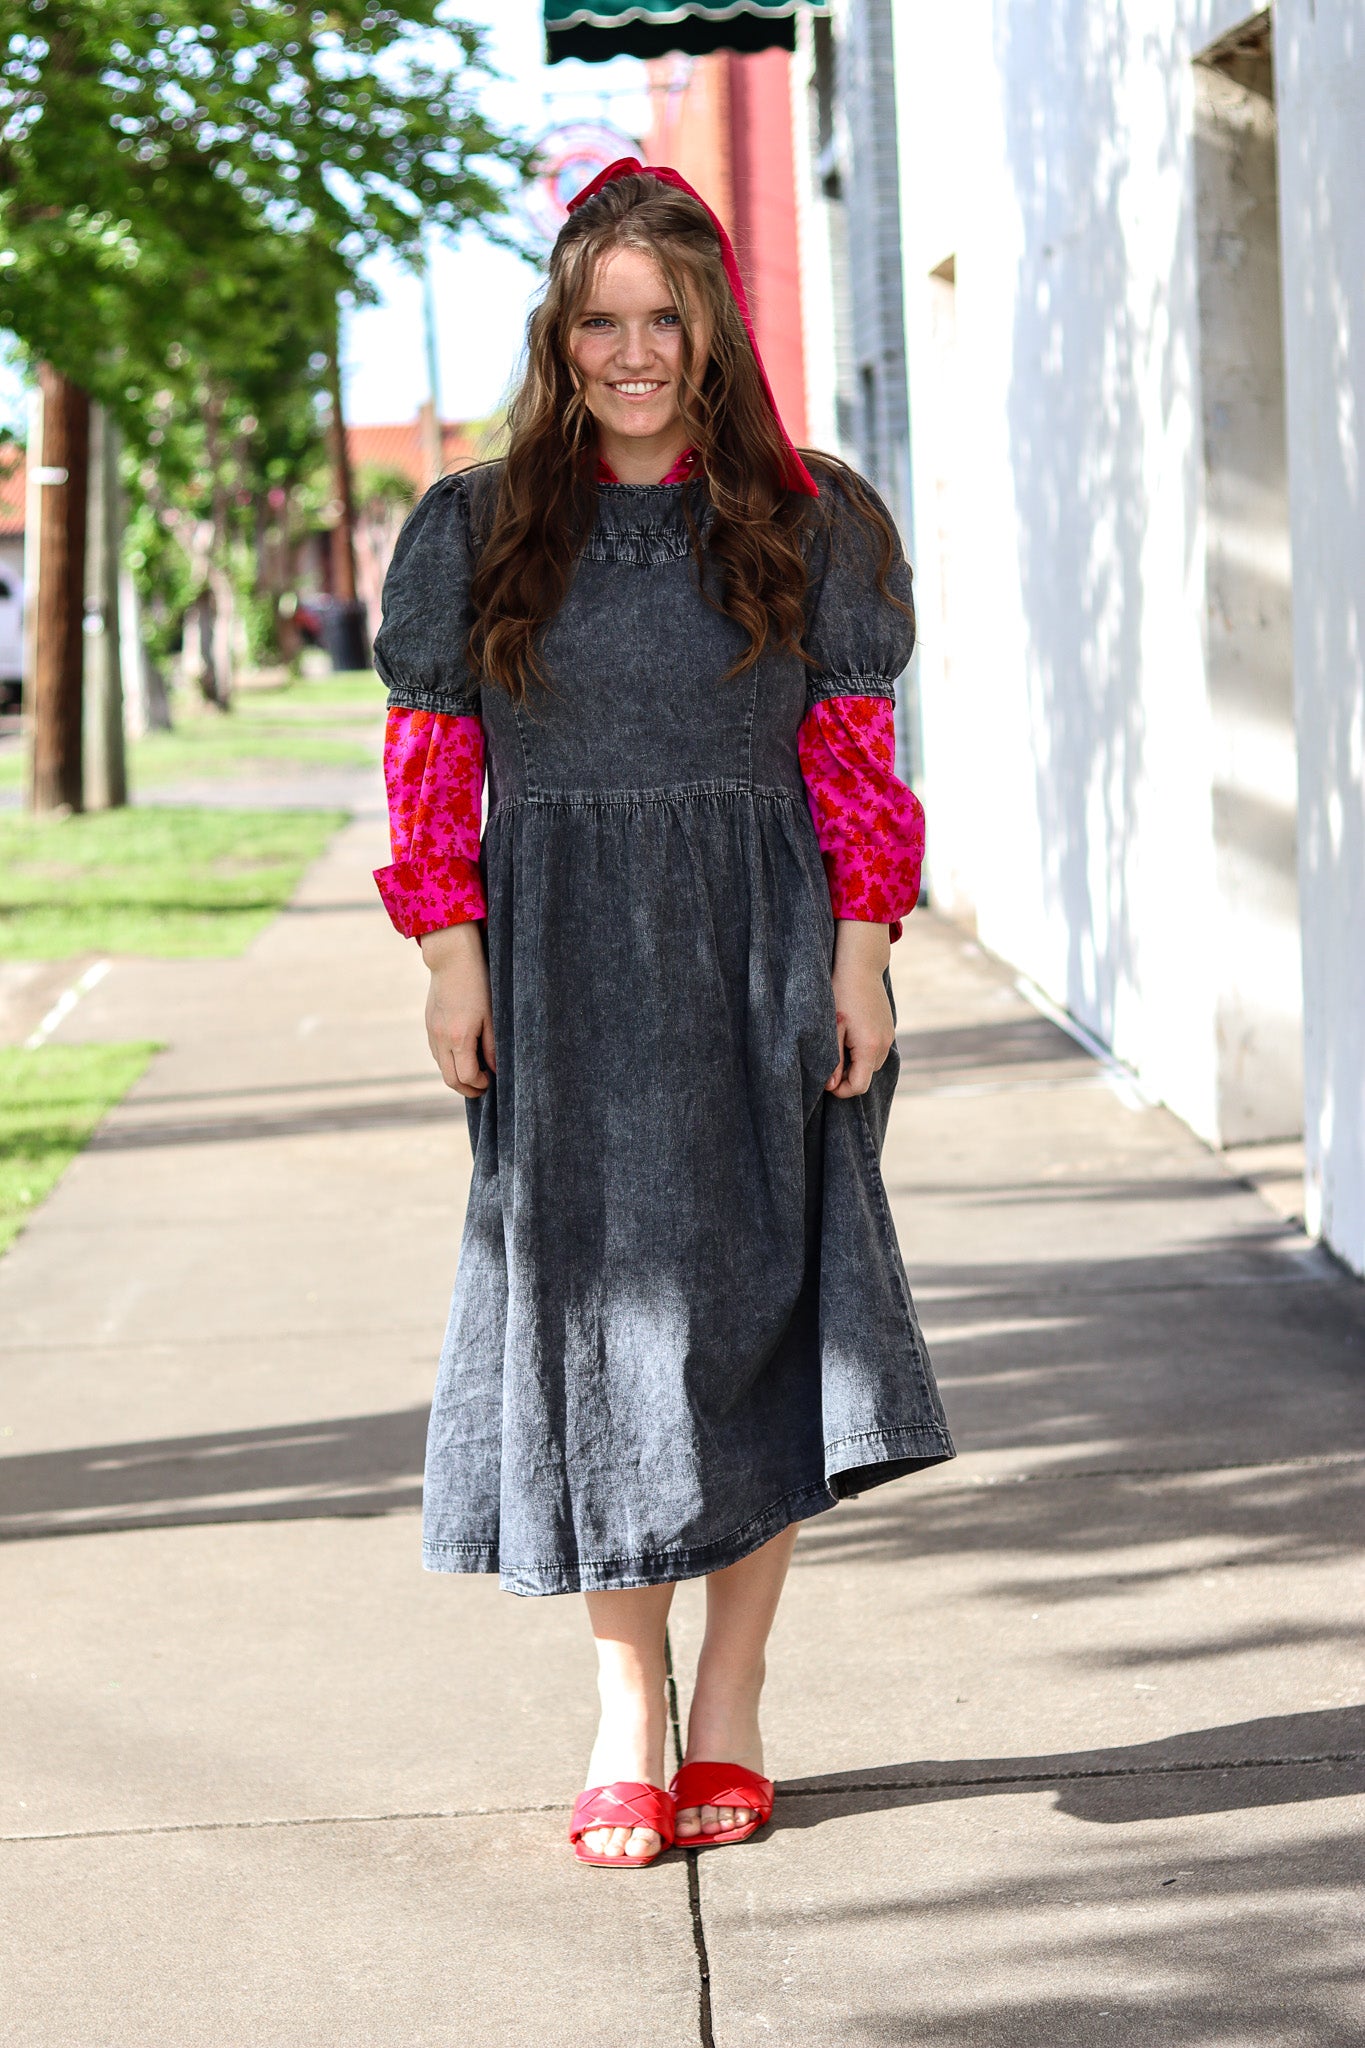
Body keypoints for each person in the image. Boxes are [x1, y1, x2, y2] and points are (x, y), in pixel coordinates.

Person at [372, 160, 954, 1868]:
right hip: (558, 960)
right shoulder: (479, 525)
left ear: (713, 331)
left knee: (764, 1316)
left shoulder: (811, 513)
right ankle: (625, 1706)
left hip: (767, 949)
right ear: (562, 336)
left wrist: (861, 957)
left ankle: (734, 1703)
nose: (634, 353)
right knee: (601, 1331)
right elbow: (430, 755)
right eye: (601, 322)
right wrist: (450, 959)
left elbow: (851, 753)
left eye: (665, 319)